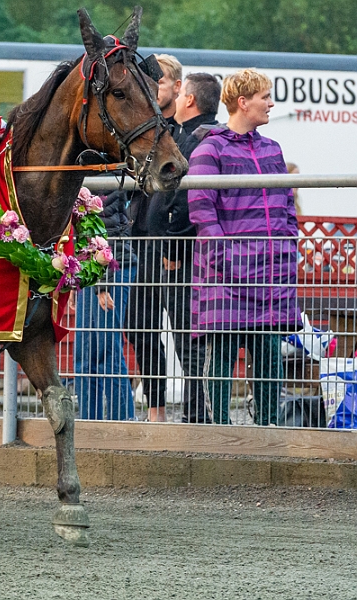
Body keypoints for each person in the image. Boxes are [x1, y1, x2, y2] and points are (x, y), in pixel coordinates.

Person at [188, 68, 300, 425]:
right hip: (227, 274)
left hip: (269, 272)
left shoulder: (273, 149)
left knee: (269, 355)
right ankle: (219, 433)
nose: (270, 103)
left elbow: (286, 204)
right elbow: (202, 210)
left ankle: (269, 432)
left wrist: (287, 246)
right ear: (242, 102)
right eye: (264, 97)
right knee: (221, 353)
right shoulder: (210, 148)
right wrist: (226, 258)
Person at [160, 72, 223, 423]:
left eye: (182, 91)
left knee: (189, 340)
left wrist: (173, 249)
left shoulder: (199, 138)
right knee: (188, 340)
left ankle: (199, 415)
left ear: (189, 100)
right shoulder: (193, 135)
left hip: (184, 258)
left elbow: (190, 200)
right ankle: (197, 412)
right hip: (184, 254)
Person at [124, 54, 182, 423]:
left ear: (177, 87)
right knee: (138, 325)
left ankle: (196, 408)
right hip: (137, 238)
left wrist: (172, 239)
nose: (151, 91)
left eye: (158, 83)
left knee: (183, 329)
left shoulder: (182, 133)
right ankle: (156, 409)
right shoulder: (134, 130)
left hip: (169, 243)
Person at [74, 192, 137, 420]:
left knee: (107, 352)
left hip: (111, 267)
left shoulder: (107, 170)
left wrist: (102, 285)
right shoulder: (83, 170)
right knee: (84, 357)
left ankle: (123, 421)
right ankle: (88, 423)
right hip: (90, 269)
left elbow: (103, 228)